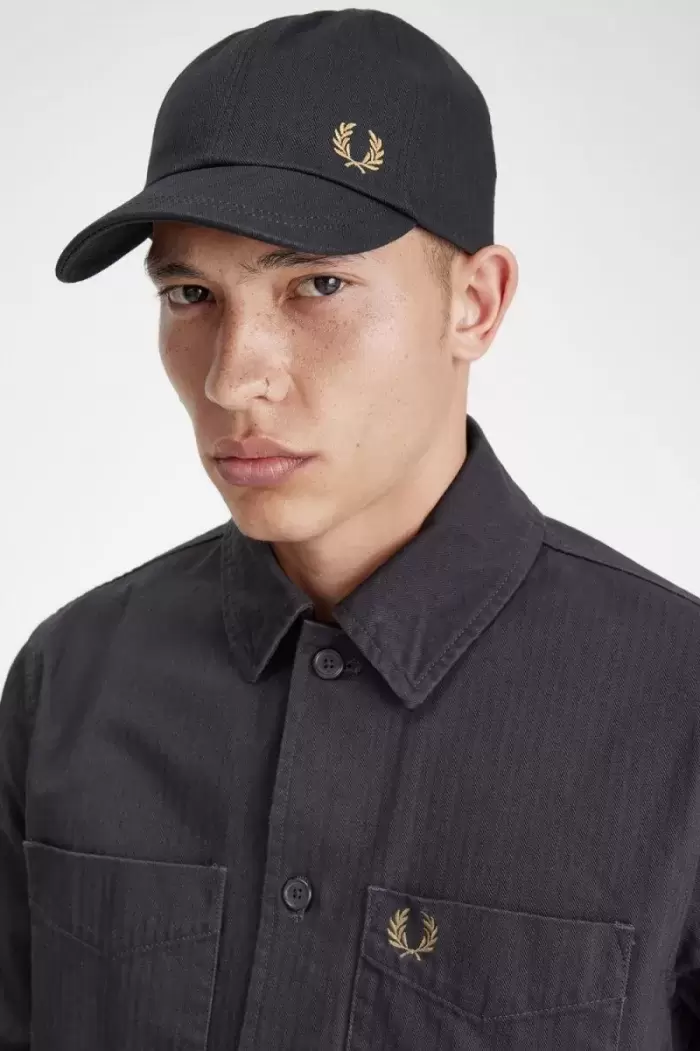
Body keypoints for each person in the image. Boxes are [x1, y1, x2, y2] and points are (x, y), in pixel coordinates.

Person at [1, 9, 699, 1051]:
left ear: (475, 303)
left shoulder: (677, 713)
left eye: (317, 285)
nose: (233, 378)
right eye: (190, 293)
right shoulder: (70, 684)